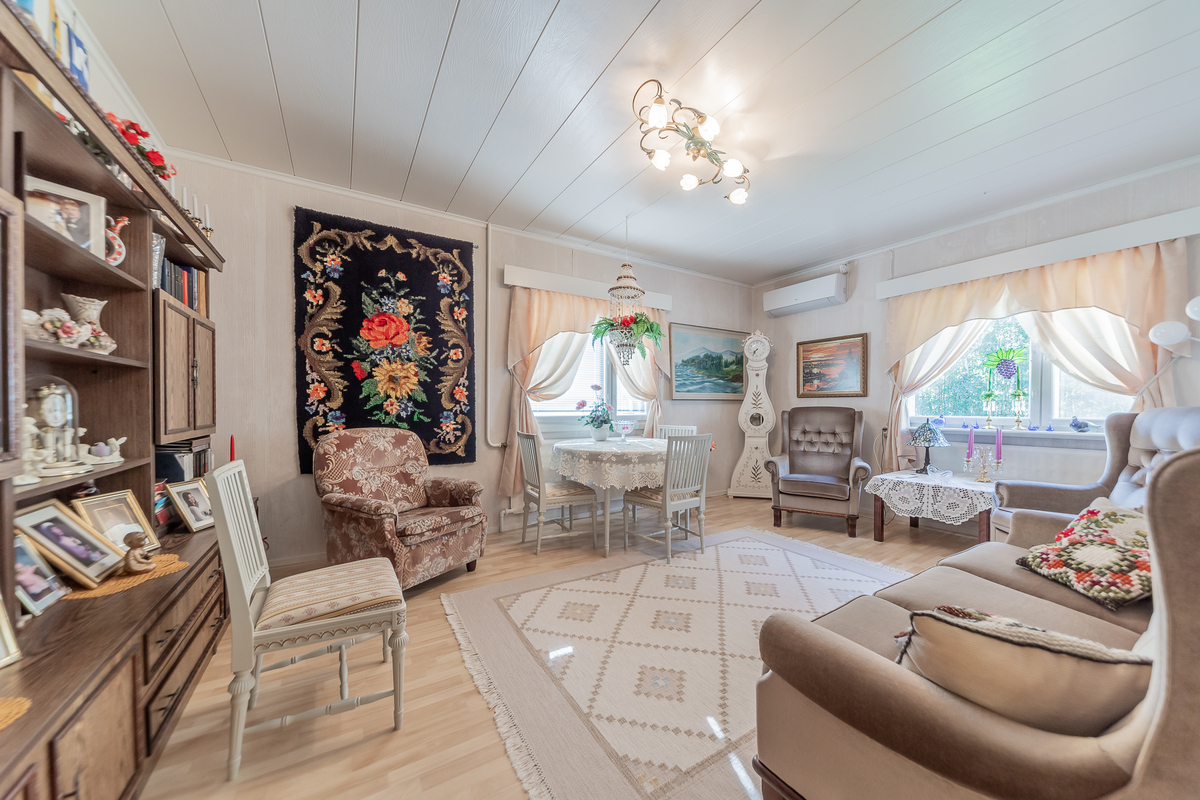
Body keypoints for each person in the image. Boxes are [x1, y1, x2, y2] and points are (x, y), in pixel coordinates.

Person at [35, 520, 107, 565]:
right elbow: (82, 556)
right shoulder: (64, 543)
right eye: (54, 529)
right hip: (93, 558)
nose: (58, 529)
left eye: (56, 527)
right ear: (52, 533)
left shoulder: (67, 537)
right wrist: (87, 549)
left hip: (94, 554)